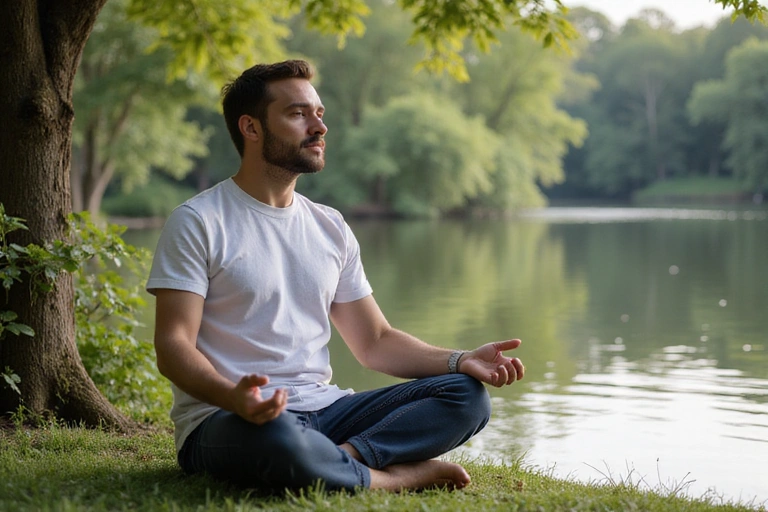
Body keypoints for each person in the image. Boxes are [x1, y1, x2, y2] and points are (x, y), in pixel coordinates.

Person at [146, 59, 525, 493]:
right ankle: (388, 478)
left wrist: (461, 360)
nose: (319, 127)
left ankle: (341, 460)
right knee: (277, 439)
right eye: (297, 114)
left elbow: (375, 343)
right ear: (251, 129)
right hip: (230, 419)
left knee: (466, 396)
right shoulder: (198, 220)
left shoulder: (329, 226)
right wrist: (233, 397)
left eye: (319, 114)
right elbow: (173, 346)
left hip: (327, 410)